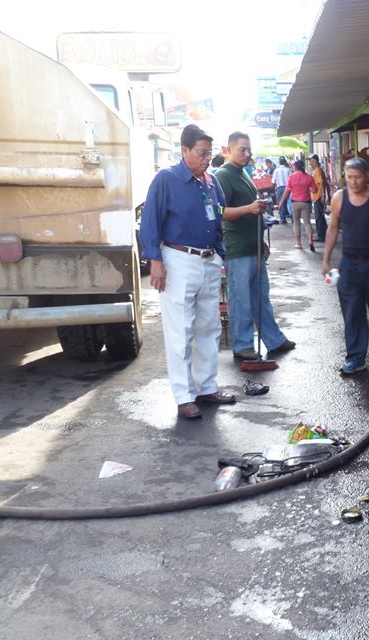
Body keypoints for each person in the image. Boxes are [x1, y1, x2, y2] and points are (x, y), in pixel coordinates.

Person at [138, 124, 235, 420]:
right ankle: (184, 395)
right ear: (185, 151)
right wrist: (155, 260)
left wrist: (221, 253)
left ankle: (206, 387)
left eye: (210, 153)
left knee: (209, 326)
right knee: (181, 330)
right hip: (178, 258)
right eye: (202, 153)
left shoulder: (210, 182)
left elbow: (217, 216)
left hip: (207, 260)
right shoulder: (166, 180)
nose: (208, 158)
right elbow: (150, 221)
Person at [215, 131, 296, 362]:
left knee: (261, 297)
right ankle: (242, 345)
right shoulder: (224, 175)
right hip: (237, 247)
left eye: (249, 149)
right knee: (241, 299)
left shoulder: (244, 174)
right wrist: (248, 209)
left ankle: (273, 339)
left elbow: (252, 210)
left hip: (254, 246)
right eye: (242, 149)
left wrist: (260, 239)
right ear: (229, 150)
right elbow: (219, 212)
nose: (247, 154)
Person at [321, 158, 369, 375]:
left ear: (367, 176)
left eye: (357, 177)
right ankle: (356, 358)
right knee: (352, 311)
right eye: (349, 177)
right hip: (349, 265)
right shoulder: (338, 198)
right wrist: (326, 260)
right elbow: (333, 229)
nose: (353, 181)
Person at [277, 159, 317, 251]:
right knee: (307, 223)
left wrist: (281, 203)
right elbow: (314, 190)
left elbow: (287, 191)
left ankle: (298, 243)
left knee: (296, 223)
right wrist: (308, 189)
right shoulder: (309, 177)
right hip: (306, 202)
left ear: (295, 167)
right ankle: (310, 241)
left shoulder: (291, 177)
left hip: (295, 203)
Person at [310, 154, 330, 244]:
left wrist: (322, 196)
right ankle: (325, 234)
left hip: (318, 197)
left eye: (310, 160)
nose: (310, 162)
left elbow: (321, 183)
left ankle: (321, 236)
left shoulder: (317, 171)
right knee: (320, 217)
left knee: (319, 217)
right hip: (317, 196)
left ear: (314, 161)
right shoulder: (318, 170)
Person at [272, 157, 292, 224]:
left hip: (279, 188)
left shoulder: (276, 170)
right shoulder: (288, 170)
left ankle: (283, 218)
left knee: (281, 203)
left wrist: (274, 188)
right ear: (285, 163)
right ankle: (292, 217)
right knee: (289, 203)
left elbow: (273, 182)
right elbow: (292, 179)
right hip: (288, 188)